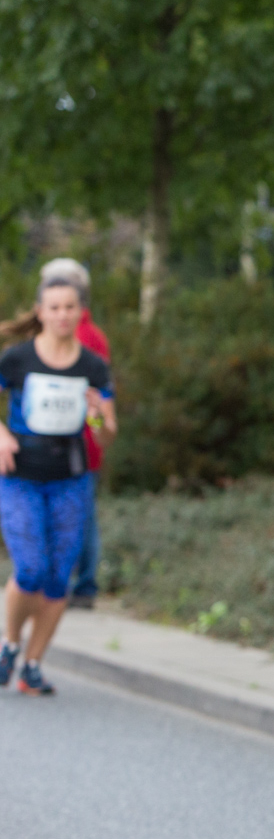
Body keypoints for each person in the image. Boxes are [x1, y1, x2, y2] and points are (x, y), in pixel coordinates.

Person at [0, 275, 117, 695]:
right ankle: (10, 644)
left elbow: (106, 433)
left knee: (57, 578)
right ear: (41, 312)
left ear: (80, 312)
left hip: (71, 477)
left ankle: (32, 665)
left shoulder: (93, 366)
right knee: (30, 568)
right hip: (20, 477)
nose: (63, 315)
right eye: (54, 307)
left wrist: (96, 416)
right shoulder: (16, 359)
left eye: (70, 307)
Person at [36, 258, 111, 610]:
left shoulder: (88, 341)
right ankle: (69, 584)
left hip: (78, 448)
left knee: (80, 518)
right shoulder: (43, 343)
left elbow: (101, 410)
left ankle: (83, 586)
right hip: (48, 450)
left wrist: (95, 423)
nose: (59, 313)